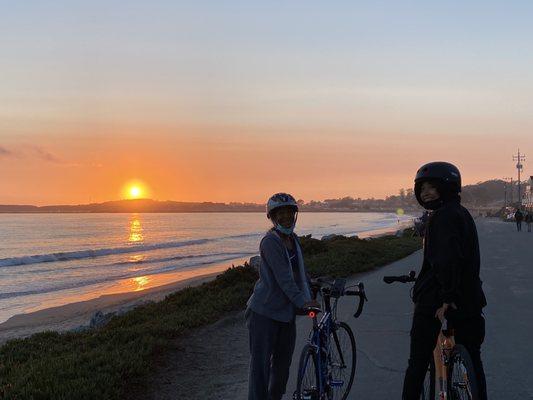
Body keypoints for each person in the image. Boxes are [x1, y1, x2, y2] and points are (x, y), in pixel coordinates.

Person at [402, 162, 488, 400]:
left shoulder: (443, 217)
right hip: (470, 298)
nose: (426, 192)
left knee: (417, 363)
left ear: (447, 187)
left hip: (437, 299)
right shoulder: (462, 214)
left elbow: (447, 260)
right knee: (473, 360)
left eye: (432, 187)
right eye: (422, 188)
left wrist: (447, 297)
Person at [245, 192, 320, 400]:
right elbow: (284, 280)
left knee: (281, 369)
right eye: (281, 213)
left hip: (286, 315)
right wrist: (304, 302)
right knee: (260, 370)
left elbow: (298, 271)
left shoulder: (293, 239)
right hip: (264, 313)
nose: (286, 217)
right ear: (272, 216)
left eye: (289, 212)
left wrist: (311, 283)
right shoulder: (270, 242)